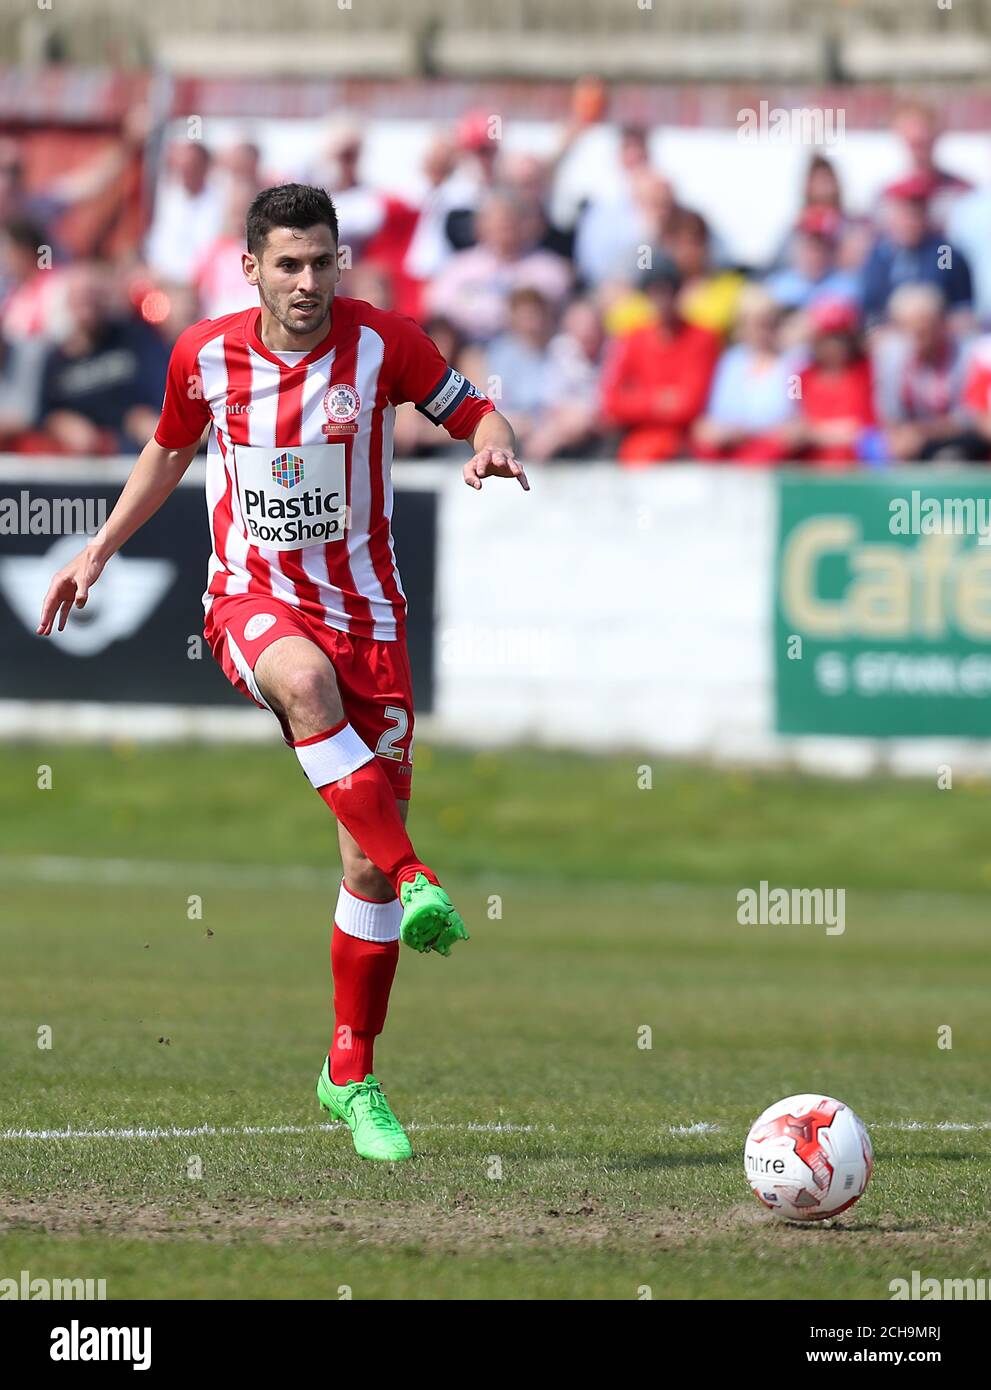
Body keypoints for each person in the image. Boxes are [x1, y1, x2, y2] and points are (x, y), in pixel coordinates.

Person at [36, 184, 526, 1162]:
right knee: (302, 686)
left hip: (370, 622)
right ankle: (418, 867)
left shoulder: (385, 343)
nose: (307, 281)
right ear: (250, 267)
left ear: (341, 264)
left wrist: (493, 447)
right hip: (249, 601)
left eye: (322, 262)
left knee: (359, 874)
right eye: (287, 264)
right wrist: (99, 547)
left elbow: (473, 410)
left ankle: (350, 1073)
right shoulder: (204, 354)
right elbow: (168, 453)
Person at [599, 258, 720, 464]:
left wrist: (637, 400)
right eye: (655, 293)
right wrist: (657, 401)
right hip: (636, 443)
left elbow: (690, 404)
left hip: (683, 444)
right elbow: (611, 401)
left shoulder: (702, 339)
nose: (661, 300)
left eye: (667, 291)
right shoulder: (632, 339)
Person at [873, 282, 983, 463]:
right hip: (909, 442)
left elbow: (971, 416)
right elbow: (889, 412)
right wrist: (899, 438)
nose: (915, 341)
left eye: (923, 332)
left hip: (959, 442)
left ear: (940, 325)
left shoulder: (967, 354)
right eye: (907, 331)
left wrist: (923, 433)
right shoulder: (890, 355)